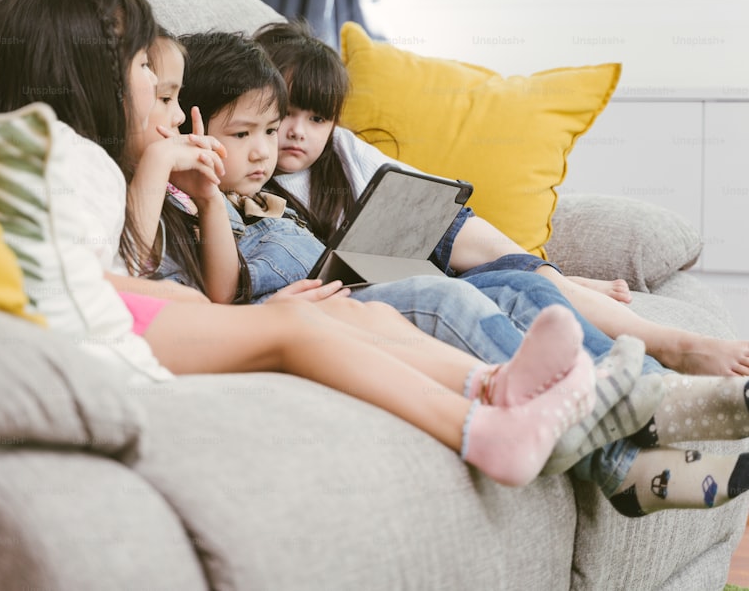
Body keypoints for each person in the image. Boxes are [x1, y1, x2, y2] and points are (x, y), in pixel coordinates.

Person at [0, 0, 602, 488]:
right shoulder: (67, 162)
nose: (173, 115)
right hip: (123, 338)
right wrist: (164, 193)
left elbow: (110, 275)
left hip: (162, 315)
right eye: (160, 95)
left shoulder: (107, 169)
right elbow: (93, 279)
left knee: (370, 318)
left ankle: (492, 386)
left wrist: (189, 208)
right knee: (299, 324)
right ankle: (483, 430)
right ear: (88, 81)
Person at [156, 28, 749, 516]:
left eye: (274, 127)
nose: (268, 149)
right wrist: (204, 195)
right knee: (445, 297)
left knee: (515, 285)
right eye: (247, 134)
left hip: (362, 289)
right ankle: (635, 433)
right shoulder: (194, 201)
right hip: (344, 309)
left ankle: (648, 392)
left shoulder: (275, 193)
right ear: (193, 126)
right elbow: (223, 292)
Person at [254, 19, 749, 380]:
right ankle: (561, 286)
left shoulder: (339, 147)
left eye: (318, 118)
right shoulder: (248, 175)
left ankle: (666, 340)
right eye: (287, 115)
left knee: (446, 224)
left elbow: (428, 194)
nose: (299, 132)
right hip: (377, 284)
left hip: (409, 249)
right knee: (507, 281)